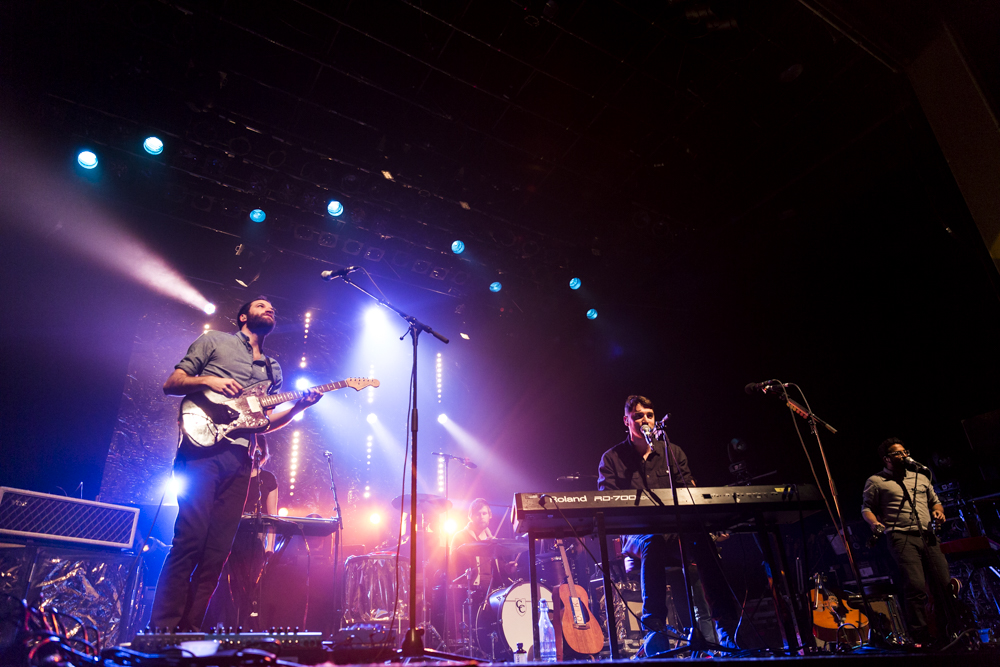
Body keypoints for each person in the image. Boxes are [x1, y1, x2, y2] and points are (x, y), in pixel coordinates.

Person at [150, 297, 321, 632]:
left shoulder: (272, 369)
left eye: (273, 308)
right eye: (261, 306)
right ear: (243, 316)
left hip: (240, 461)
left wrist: (299, 407)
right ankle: (162, 629)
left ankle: (190, 630)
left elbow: (263, 423)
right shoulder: (215, 341)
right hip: (201, 453)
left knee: (218, 551)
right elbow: (172, 384)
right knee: (189, 540)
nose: (270, 309)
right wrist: (209, 381)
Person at [598, 395, 739, 656]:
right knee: (652, 540)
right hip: (637, 535)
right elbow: (608, 504)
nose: (645, 420)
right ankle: (655, 630)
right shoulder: (612, 458)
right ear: (626, 421)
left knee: (702, 541)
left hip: (674, 532)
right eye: (638, 416)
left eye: (649, 415)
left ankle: (727, 628)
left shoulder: (672, 452)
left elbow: (688, 492)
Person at [861, 437, 951, 644]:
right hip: (901, 536)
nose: (904, 455)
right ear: (887, 459)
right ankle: (920, 636)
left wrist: (938, 512)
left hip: (928, 536)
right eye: (898, 453)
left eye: (905, 452)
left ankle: (948, 632)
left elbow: (935, 503)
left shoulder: (921, 477)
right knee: (916, 586)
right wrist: (875, 523)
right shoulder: (876, 481)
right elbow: (866, 508)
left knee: (943, 585)